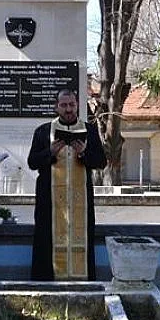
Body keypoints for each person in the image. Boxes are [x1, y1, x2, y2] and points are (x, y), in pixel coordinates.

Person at [28, 89, 107, 281]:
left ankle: (83, 281)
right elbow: (32, 162)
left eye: (71, 104)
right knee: (47, 240)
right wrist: (50, 152)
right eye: (63, 105)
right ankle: (45, 282)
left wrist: (84, 153)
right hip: (50, 202)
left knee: (82, 240)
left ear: (77, 105)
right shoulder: (43, 131)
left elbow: (101, 162)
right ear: (56, 107)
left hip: (80, 203)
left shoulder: (89, 130)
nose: (68, 109)